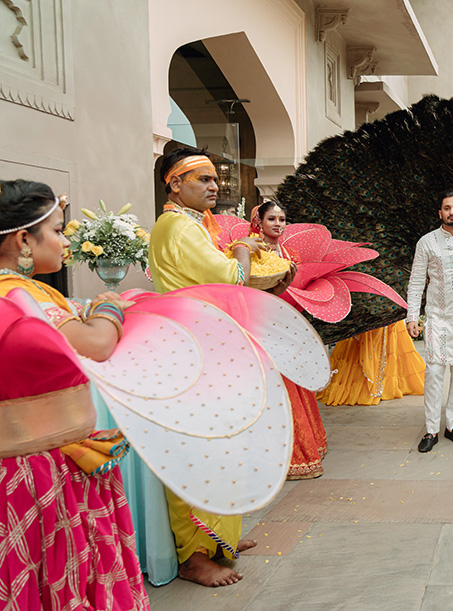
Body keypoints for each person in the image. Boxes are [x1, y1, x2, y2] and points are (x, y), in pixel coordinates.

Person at [0, 179, 150, 609]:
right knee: (59, 578)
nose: (66, 241)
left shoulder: (27, 292)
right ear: (23, 239)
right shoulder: (18, 294)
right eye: (59, 230)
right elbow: (97, 344)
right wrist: (109, 307)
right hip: (39, 468)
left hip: (44, 457)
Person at [149, 147, 291, 587]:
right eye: (203, 179)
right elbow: (232, 278)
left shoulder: (195, 225)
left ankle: (221, 540)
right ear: (174, 184)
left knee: (225, 446)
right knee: (199, 450)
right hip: (193, 349)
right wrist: (246, 251)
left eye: (215, 179)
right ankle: (195, 555)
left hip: (210, 345)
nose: (215, 186)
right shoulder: (177, 227)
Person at [249, 201, 329, 479]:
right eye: (271, 218)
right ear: (259, 221)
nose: (278, 224)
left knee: (295, 384)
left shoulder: (290, 253)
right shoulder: (248, 251)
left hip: (289, 325)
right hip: (261, 325)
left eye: (282, 219)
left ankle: (305, 444)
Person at [406, 191, 453, 452]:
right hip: (437, 317)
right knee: (434, 374)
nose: (452, 212)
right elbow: (416, 281)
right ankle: (430, 430)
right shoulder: (426, 242)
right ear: (440, 213)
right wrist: (412, 316)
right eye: (447, 208)